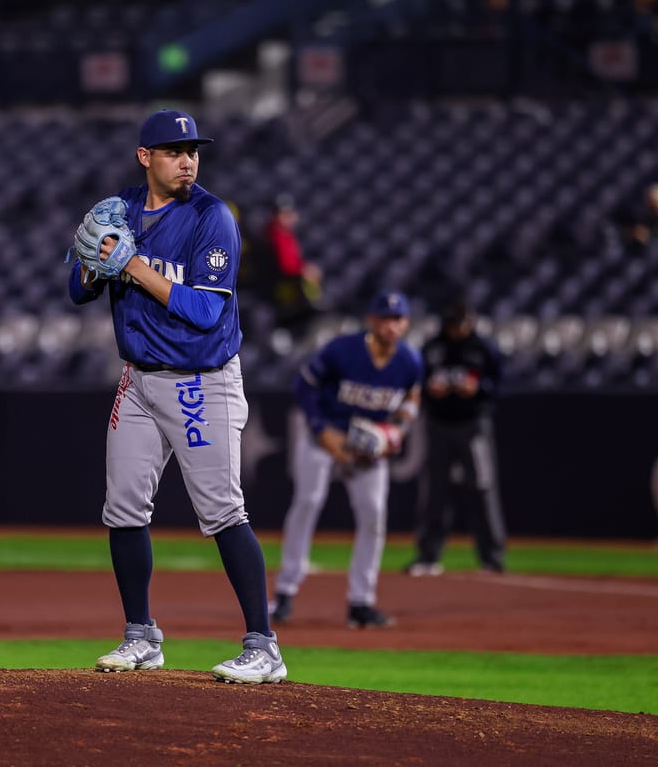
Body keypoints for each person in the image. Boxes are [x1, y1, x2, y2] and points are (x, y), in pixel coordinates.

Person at [67, 109, 286, 684]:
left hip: (199, 381)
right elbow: (78, 291)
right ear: (145, 157)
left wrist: (131, 264)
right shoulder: (122, 208)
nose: (187, 160)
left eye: (193, 151)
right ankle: (140, 636)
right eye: (173, 151)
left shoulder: (213, 217)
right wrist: (92, 266)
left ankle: (263, 646)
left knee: (222, 512)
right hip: (138, 379)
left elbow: (204, 309)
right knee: (122, 509)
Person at [270, 290, 423, 628]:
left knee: (374, 515)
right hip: (324, 436)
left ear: (406, 323)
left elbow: (412, 397)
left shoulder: (410, 360)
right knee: (308, 502)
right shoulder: (343, 350)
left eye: (397, 319)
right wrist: (322, 430)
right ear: (372, 320)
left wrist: (397, 430)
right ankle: (284, 593)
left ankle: (361, 602)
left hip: (367, 446)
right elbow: (304, 386)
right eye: (385, 318)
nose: (391, 325)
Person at [406, 296, 507, 576]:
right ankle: (428, 555)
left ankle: (492, 557)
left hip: (473, 425)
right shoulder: (432, 348)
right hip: (439, 424)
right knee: (436, 491)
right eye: (453, 323)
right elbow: (416, 384)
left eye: (462, 323)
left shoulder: (482, 348)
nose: (458, 328)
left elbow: (499, 385)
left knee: (482, 487)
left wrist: (478, 388)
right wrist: (430, 390)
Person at [264, 194, 325, 332]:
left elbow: (295, 261)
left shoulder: (286, 234)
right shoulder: (273, 235)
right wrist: (304, 271)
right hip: (281, 287)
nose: (290, 217)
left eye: (290, 213)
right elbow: (286, 267)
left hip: (290, 283)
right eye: (284, 214)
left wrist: (305, 268)